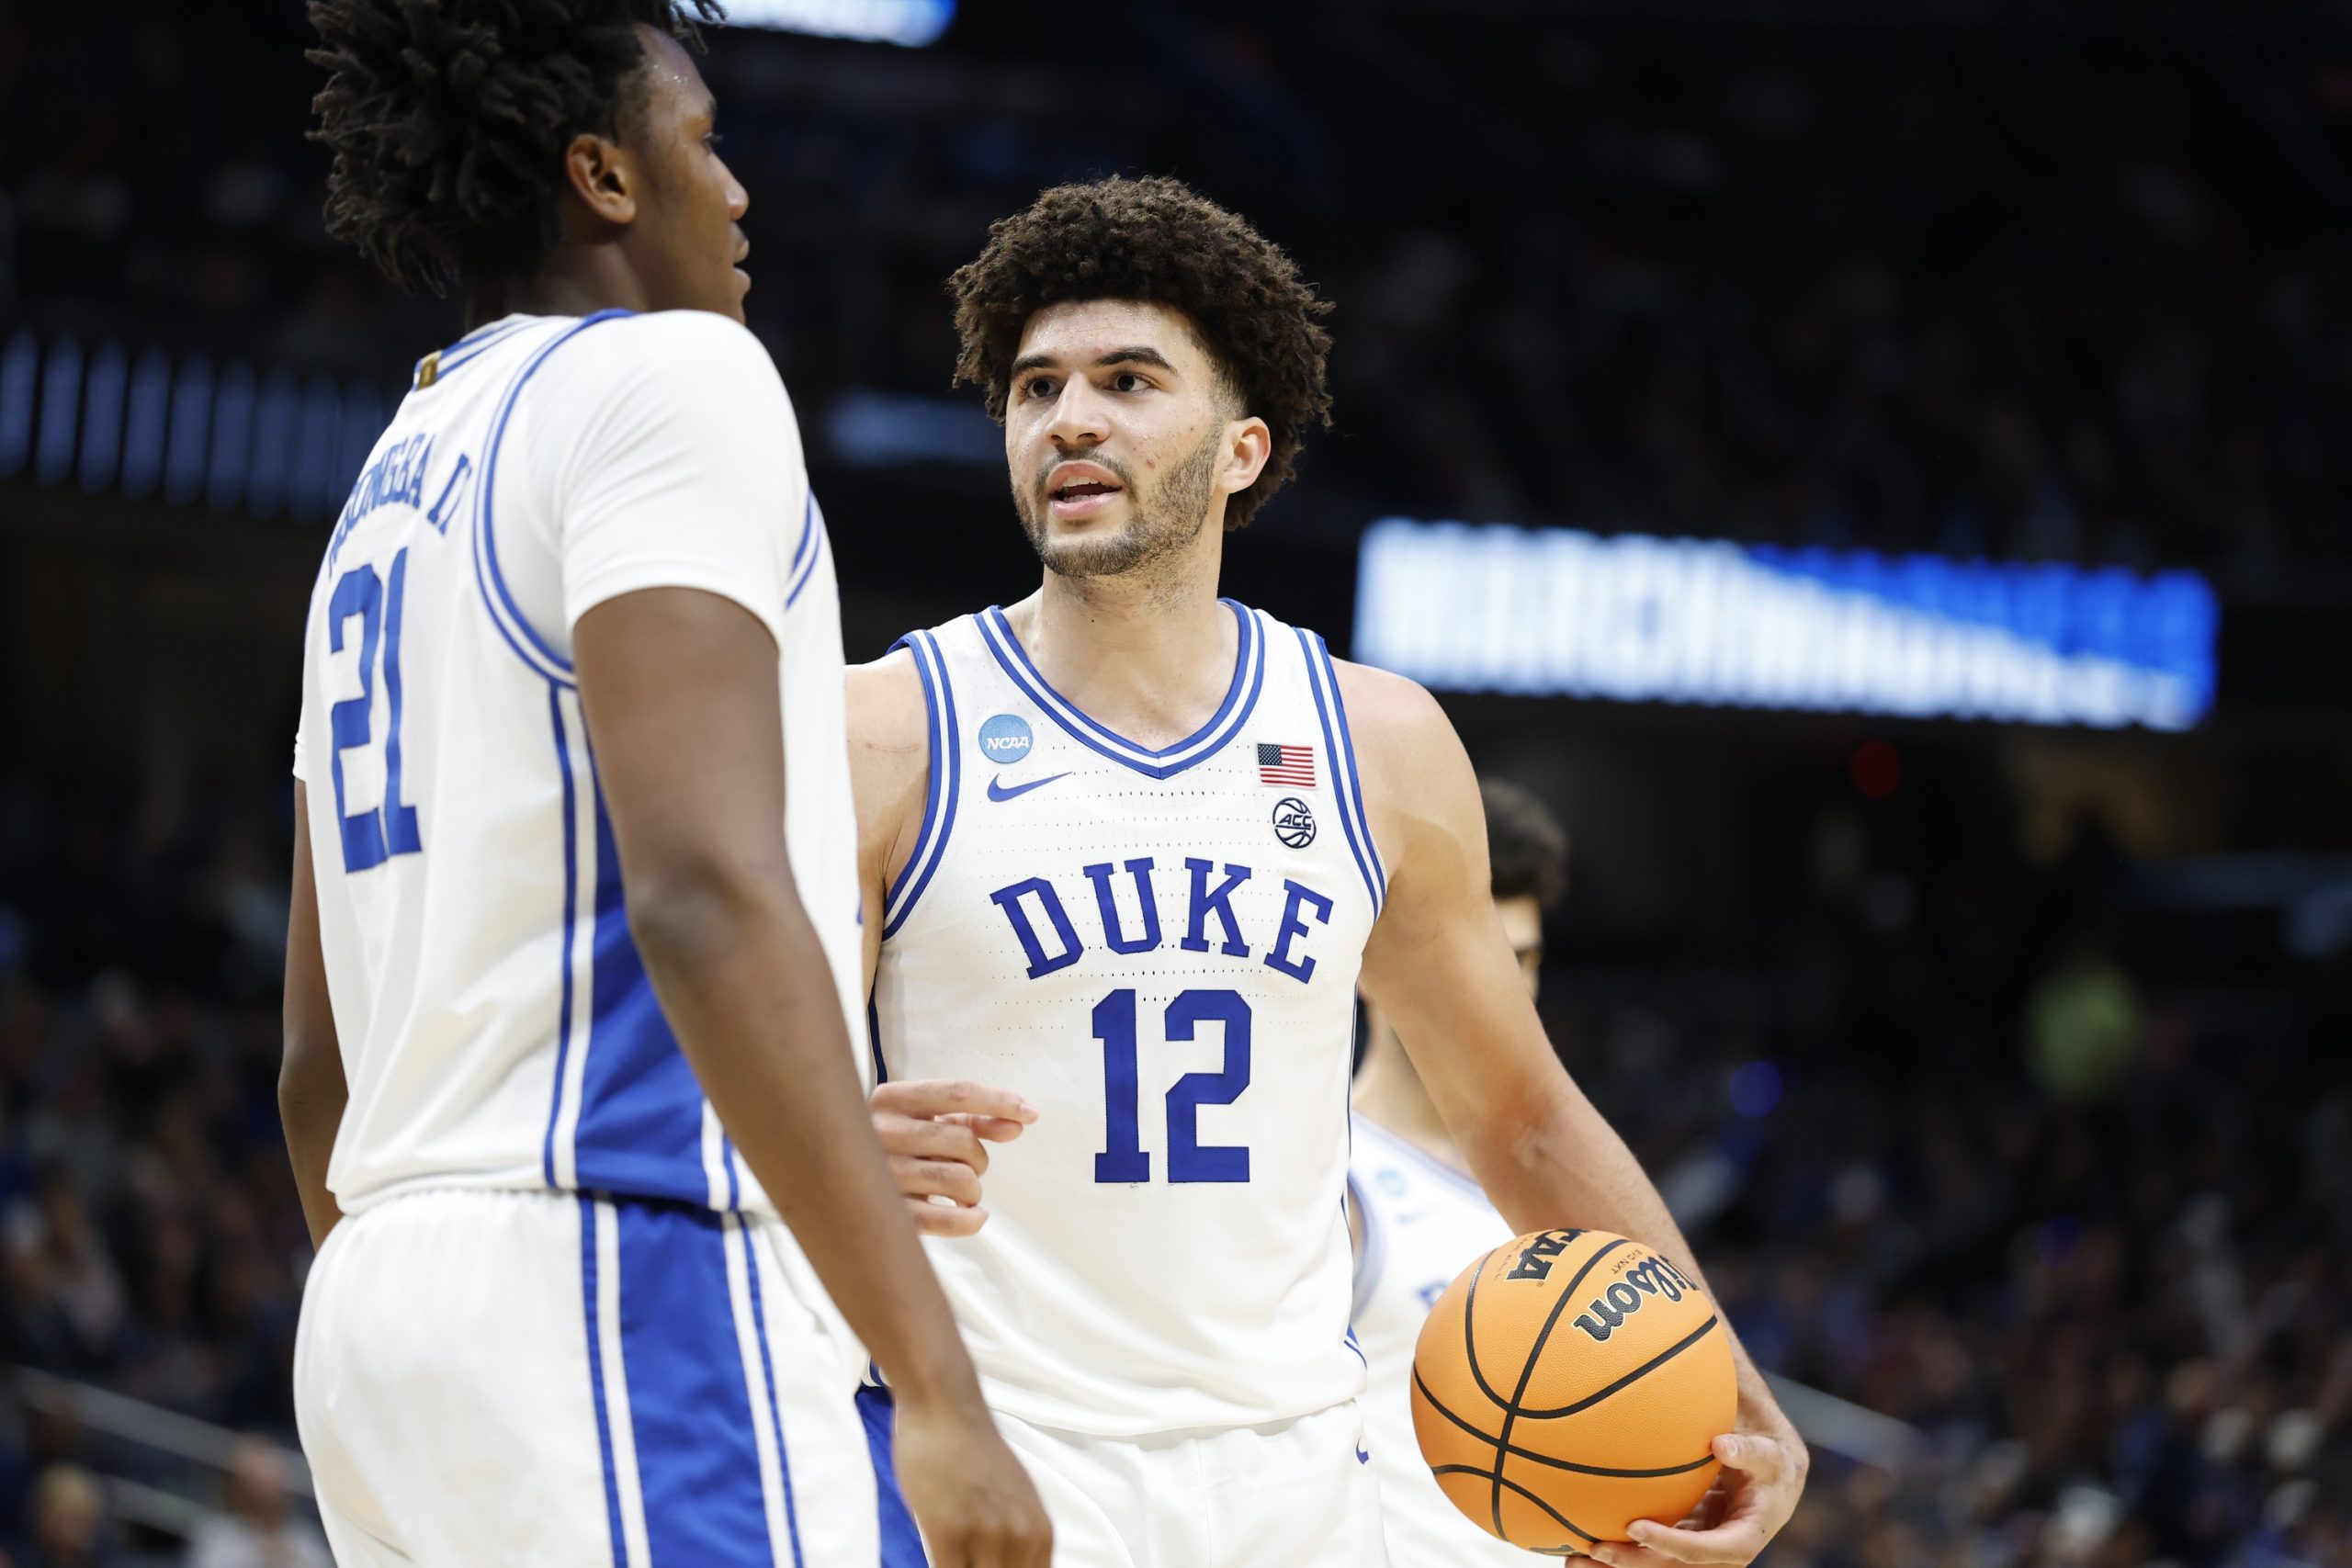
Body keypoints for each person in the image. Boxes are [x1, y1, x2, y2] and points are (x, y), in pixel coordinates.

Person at [848, 174, 1807, 1568]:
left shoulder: (1379, 739)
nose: (1070, 417)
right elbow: (694, 1040)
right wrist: (803, 1129)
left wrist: (1737, 1402)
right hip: (993, 1450)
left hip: (1292, 1482)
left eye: (1127, 378)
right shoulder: (883, 725)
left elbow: (1521, 1115)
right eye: (1034, 386)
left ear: (1242, 448)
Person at [284, 4, 1048, 1564]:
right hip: (615, 1268)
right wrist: (937, 1382)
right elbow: (703, 887)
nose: (741, 191)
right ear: (603, 176)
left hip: (379, 1312)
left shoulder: (387, 483)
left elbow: (317, 1060)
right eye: (704, 144)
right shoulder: (672, 381)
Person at [1349, 777, 1569, 1567]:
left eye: (1525, 960)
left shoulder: (1567, 1183)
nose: (1507, 993)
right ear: (1368, 966)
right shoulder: (1327, 1173)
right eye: (1478, 960)